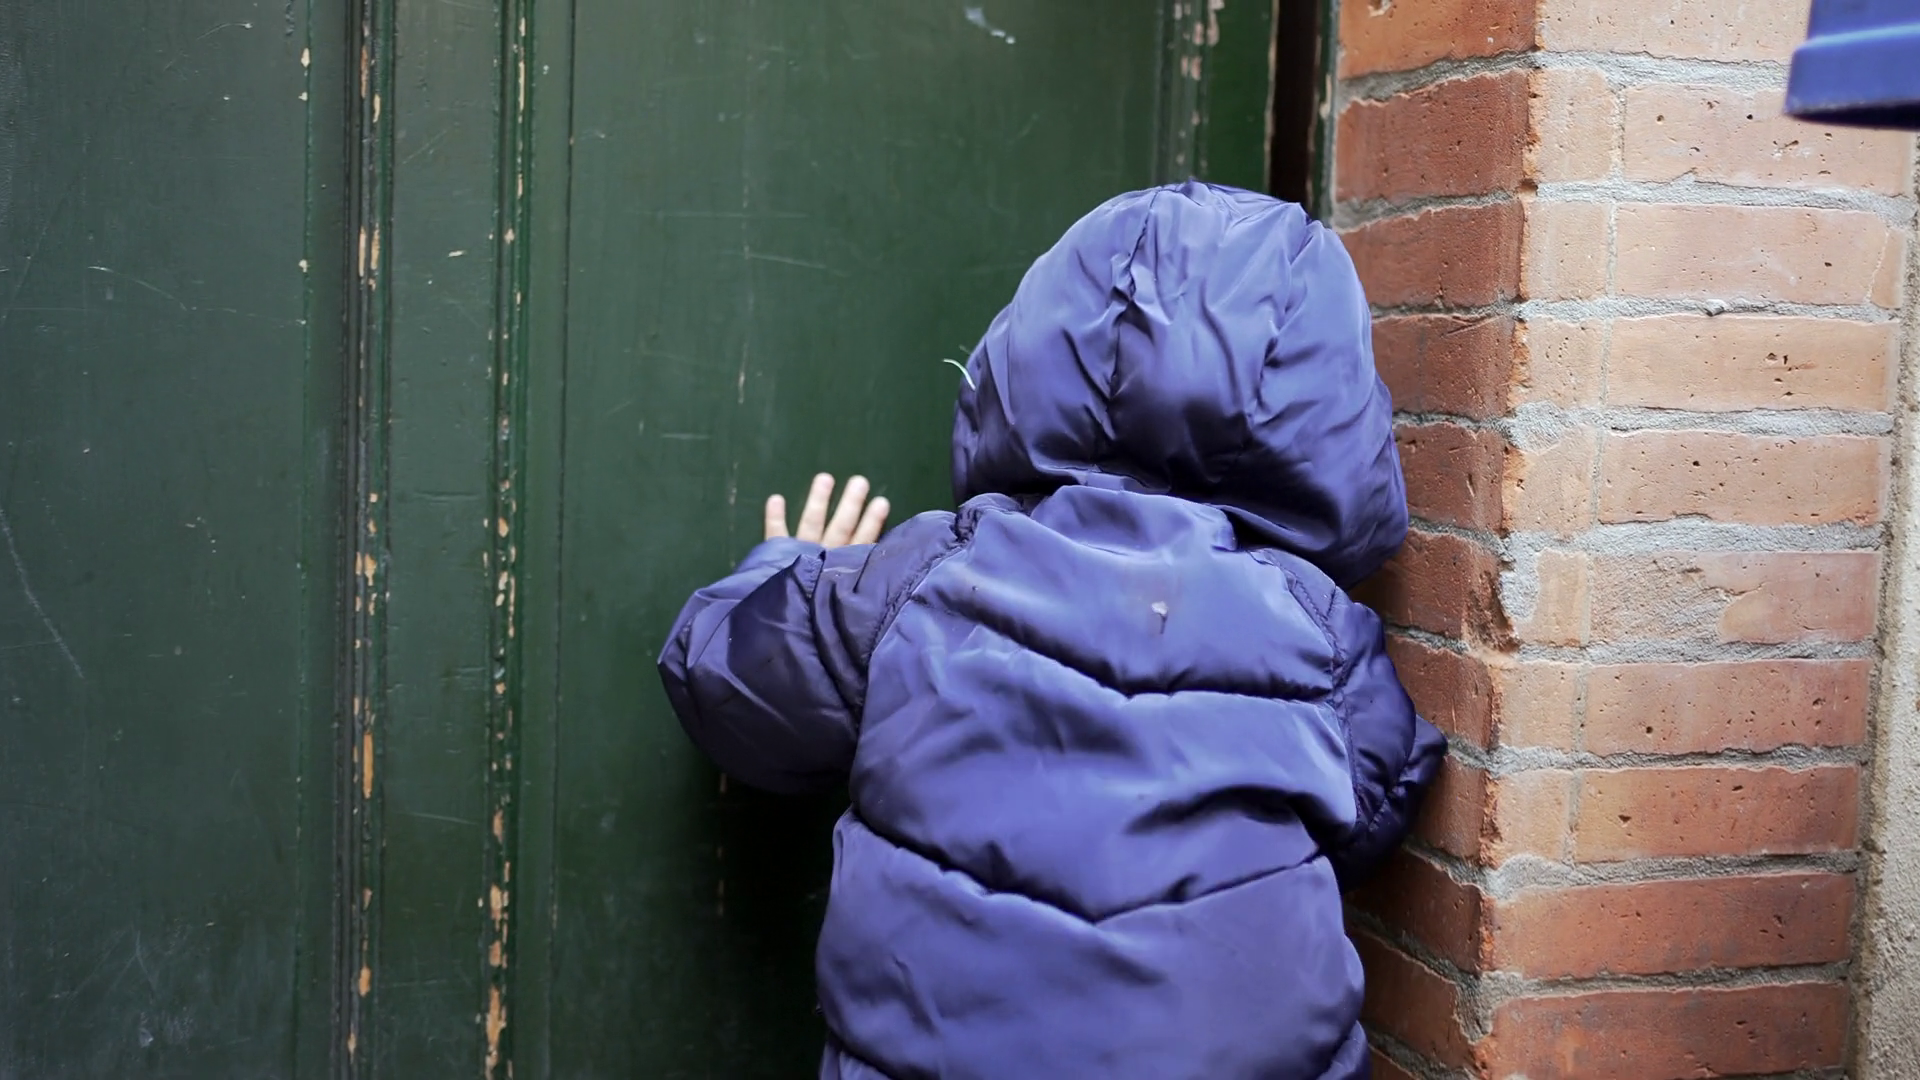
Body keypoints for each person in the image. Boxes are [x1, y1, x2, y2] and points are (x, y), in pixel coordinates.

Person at [658, 181, 1447, 1079]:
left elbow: (726, 680)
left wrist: (788, 562)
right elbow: (1380, 806)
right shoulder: (1323, 637)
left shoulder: (926, 576)